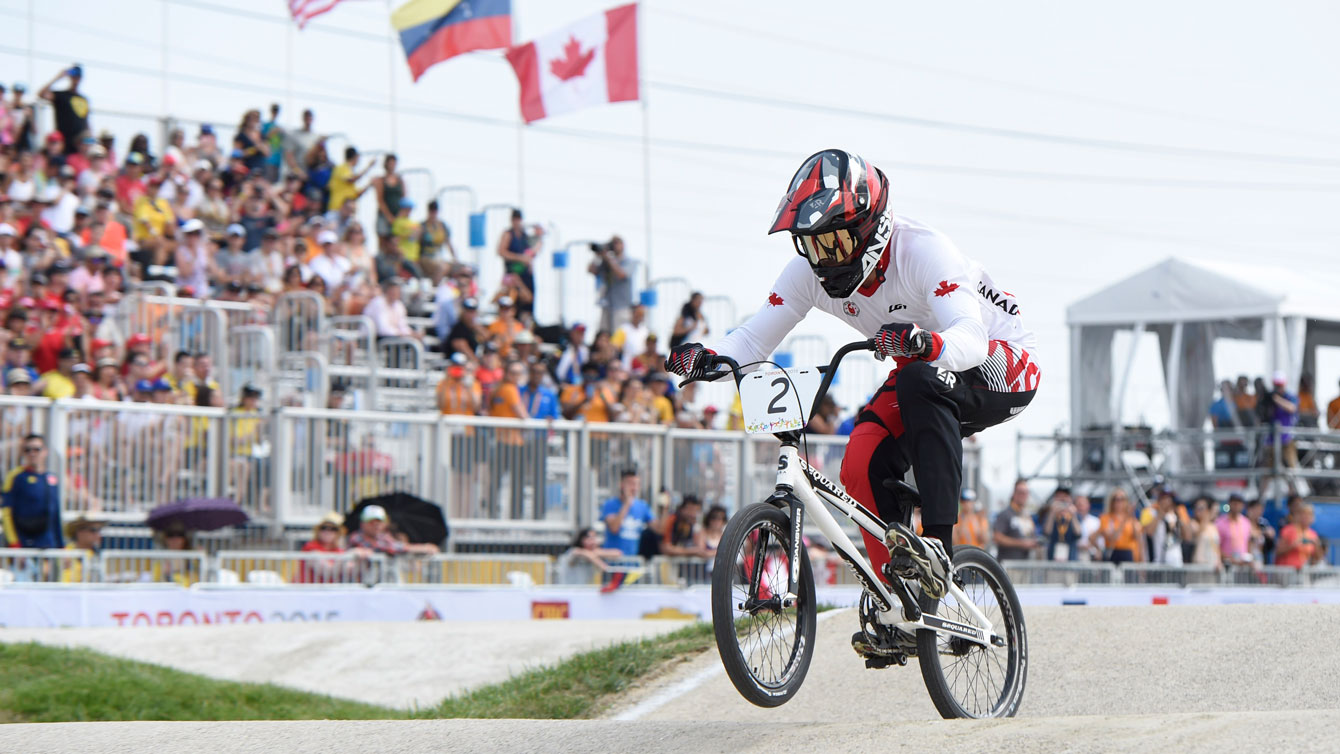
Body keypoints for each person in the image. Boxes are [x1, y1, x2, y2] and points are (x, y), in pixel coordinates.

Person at [663, 150, 1039, 618]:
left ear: (870, 228)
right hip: (920, 365)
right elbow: (754, 337)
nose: (825, 258)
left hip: (1002, 362)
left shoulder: (922, 250)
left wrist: (923, 340)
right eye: (813, 245)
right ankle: (898, 597)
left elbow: (971, 341)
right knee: (859, 458)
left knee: (920, 379)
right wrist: (708, 357)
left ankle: (939, 545)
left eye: (835, 242)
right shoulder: (810, 272)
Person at [0, 435, 62, 549]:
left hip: (47, 543)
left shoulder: (51, 478)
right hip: (23, 543)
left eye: (36, 449)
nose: (32, 453)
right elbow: (6, 511)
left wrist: (61, 545)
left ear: (45, 452)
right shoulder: (16, 477)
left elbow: (55, 514)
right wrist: (14, 542)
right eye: (27, 450)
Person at [496, 208, 543, 319]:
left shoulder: (524, 235)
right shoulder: (508, 234)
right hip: (513, 275)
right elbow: (501, 251)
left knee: (528, 301)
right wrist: (519, 258)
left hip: (525, 274)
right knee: (514, 302)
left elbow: (532, 252)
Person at [587, 236, 638, 332]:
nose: (613, 246)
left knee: (618, 336)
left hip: (621, 307)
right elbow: (591, 270)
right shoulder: (606, 261)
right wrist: (598, 256)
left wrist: (609, 258)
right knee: (603, 334)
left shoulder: (629, 261)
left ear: (622, 245)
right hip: (607, 306)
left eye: (616, 243)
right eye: (612, 243)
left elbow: (621, 274)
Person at [347, 504, 438, 556]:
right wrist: (422, 548)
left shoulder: (384, 537)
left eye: (379, 522)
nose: (376, 525)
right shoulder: (356, 537)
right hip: (359, 586)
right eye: (371, 522)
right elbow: (390, 547)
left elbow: (394, 546)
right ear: (362, 524)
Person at [600, 468, 652, 557]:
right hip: (613, 564)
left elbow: (659, 529)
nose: (634, 488)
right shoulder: (610, 504)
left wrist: (665, 509)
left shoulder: (643, 506)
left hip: (633, 563)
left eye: (637, 484)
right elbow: (614, 528)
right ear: (621, 485)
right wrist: (627, 503)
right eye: (631, 484)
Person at [37, 64, 88, 155]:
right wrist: (58, 78)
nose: (76, 79)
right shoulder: (61, 95)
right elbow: (41, 94)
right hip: (63, 144)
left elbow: (86, 122)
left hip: (79, 146)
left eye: (78, 77)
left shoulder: (84, 99)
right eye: (74, 77)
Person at [558, 527, 629, 584]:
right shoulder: (574, 551)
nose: (592, 541)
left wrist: (598, 553)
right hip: (568, 591)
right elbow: (585, 554)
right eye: (589, 538)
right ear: (580, 540)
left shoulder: (594, 552)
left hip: (583, 592)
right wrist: (605, 567)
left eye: (594, 538)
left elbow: (618, 553)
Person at [991, 480, 1039, 561]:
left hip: (1025, 564)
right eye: (1020, 492)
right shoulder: (1005, 514)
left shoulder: (1027, 515)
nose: (1023, 495)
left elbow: (1032, 534)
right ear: (1014, 493)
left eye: (1026, 492)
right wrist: (1021, 543)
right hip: (1008, 565)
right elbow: (997, 537)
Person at [1095, 487, 1143, 563]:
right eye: (1116, 499)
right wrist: (1123, 521)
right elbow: (1112, 538)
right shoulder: (1105, 518)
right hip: (1112, 553)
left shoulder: (1132, 519)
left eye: (1122, 499)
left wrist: (1131, 516)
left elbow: (1138, 538)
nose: (1119, 502)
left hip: (1128, 554)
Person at [1275, 502, 1323, 569]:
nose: (1306, 517)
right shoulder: (1288, 530)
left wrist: (1317, 546)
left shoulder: (1313, 534)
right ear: (1298, 516)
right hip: (1287, 572)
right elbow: (1277, 552)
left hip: (1304, 572)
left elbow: (1318, 558)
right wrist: (1291, 546)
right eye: (1304, 514)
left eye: (1309, 515)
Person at [1216, 493, 1253, 566]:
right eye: (1234, 502)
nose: (1236, 505)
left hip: (1242, 566)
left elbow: (1248, 542)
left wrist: (1248, 558)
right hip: (1226, 565)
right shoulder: (1219, 523)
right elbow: (1216, 545)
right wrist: (1229, 558)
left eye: (1239, 503)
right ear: (1229, 504)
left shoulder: (1246, 523)